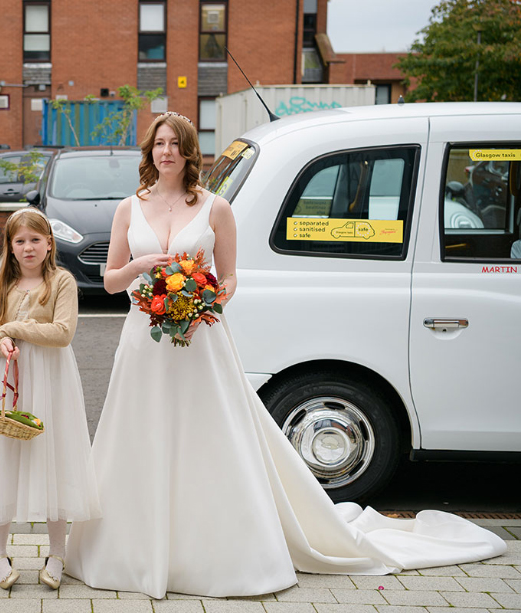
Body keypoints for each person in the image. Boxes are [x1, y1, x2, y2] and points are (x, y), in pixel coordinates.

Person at [65, 111, 507, 599]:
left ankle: (213, 552)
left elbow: (231, 277)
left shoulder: (215, 208)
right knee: (138, 435)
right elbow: (108, 281)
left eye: (174, 144)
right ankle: (131, 550)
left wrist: (206, 300)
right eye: (158, 145)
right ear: (149, 153)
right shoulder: (129, 208)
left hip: (200, 341)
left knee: (208, 438)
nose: (165, 152)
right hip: (143, 341)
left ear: (190, 152)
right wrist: (143, 265)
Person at [0, 208, 101, 590]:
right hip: (12, 377)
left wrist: (12, 327)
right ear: (10, 248)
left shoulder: (61, 281)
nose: (28, 247)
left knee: (54, 459)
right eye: (20, 241)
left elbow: (63, 333)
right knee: (5, 458)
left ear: (49, 243)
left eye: (35, 239)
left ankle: (57, 552)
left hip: (52, 380)